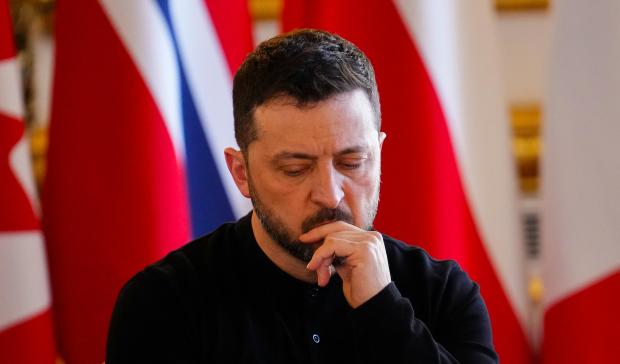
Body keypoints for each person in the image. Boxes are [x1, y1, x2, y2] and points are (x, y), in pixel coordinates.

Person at [106, 29, 498, 364]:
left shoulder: (444, 294)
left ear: (379, 156)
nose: (329, 195)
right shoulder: (164, 304)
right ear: (241, 173)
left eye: (352, 162)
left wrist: (384, 309)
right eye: (295, 169)